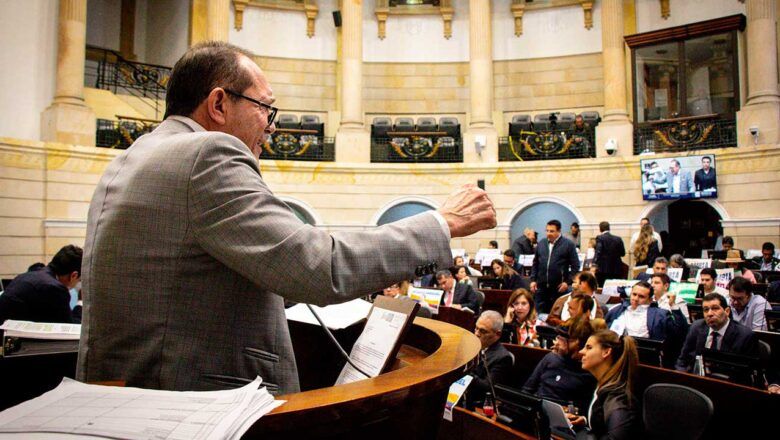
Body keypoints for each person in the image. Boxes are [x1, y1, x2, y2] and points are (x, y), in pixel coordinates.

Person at [77, 42, 497, 393]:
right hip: (197, 408)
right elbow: (318, 265)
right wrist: (442, 223)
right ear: (219, 103)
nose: (272, 127)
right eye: (266, 108)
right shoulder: (205, 154)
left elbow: (199, 280)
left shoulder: (132, 158)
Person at [568, 330, 642, 439]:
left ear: (606, 352)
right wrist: (585, 420)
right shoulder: (601, 384)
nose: (581, 352)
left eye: (589, 347)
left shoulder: (620, 400)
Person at [522, 316, 597, 412]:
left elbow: (583, 410)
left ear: (576, 342)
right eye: (557, 337)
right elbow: (527, 390)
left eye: (561, 338)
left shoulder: (588, 371)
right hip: (535, 411)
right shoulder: (551, 358)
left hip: (562, 419)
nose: (556, 342)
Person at [675, 293, 759, 372]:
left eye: (715, 308)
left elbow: (747, 372)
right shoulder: (696, 327)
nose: (710, 314)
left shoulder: (745, 336)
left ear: (727, 311)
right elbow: (682, 360)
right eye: (706, 310)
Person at [0, 245, 82, 324]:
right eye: (79, 280)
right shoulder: (54, 288)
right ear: (73, 275)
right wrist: (81, 302)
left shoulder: (32, 274)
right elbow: (70, 326)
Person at [605, 281, 687, 341]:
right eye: (634, 294)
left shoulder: (660, 315)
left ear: (650, 300)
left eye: (641, 296)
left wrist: (673, 305)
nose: (636, 299)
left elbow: (680, 332)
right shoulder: (617, 310)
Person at [530, 220, 580, 313]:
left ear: (559, 231)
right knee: (539, 313)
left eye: (552, 231)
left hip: (559, 287)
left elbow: (575, 266)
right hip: (541, 287)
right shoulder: (541, 243)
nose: (548, 233)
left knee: (555, 315)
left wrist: (567, 282)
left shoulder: (568, 244)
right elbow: (535, 263)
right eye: (547, 230)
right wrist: (533, 280)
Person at [466, 311, 514, 409]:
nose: (476, 334)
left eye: (483, 331)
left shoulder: (503, 357)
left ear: (498, 334)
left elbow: (487, 387)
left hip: (478, 403)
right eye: (476, 328)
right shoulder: (469, 345)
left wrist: (464, 373)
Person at [593, 221, 626, 286]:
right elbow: (623, 253)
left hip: (603, 268)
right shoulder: (618, 239)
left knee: (603, 288)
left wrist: (594, 263)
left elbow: (598, 252)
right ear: (609, 228)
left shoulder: (600, 238)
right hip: (617, 268)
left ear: (600, 229)